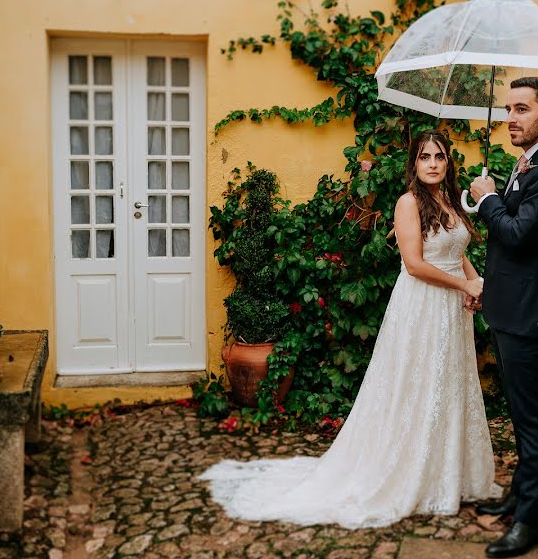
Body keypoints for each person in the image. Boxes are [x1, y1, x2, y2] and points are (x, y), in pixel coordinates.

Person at [198, 130, 501, 529]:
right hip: (421, 305)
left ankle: (446, 473)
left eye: (439, 157)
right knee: (415, 385)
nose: (432, 163)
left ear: (448, 163)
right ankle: (406, 472)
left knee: (447, 384)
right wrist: (464, 285)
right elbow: (414, 263)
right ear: (413, 164)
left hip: (451, 309)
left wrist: (475, 283)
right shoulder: (408, 203)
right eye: (424, 156)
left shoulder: (452, 201)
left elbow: (455, 255)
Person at [467, 77, 538, 558]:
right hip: (510, 307)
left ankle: (531, 522)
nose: (510, 118)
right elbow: (514, 214)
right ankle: (520, 496)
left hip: (528, 313)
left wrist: (490, 200)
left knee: (532, 420)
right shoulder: (530, 160)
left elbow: (516, 233)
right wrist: (491, 194)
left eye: (521, 109)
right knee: (519, 412)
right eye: (508, 109)